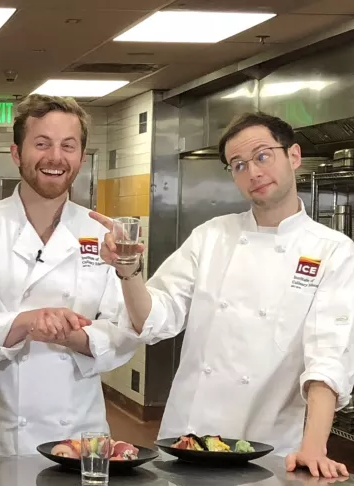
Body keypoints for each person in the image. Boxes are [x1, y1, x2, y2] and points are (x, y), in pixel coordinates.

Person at [94, 112, 353, 478]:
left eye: (263, 156)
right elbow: (154, 317)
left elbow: (328, 356)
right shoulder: (212, 236)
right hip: (189, 437)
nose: (253, 172)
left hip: (268, 445)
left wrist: (314, 446)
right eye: (239, 165)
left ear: (293, 156)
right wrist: (128, 271)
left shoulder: (334, 250)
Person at [0, 94, 139, 456]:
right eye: (42, 144)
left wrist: (72, 337)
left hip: (79, 433)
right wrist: (23, 323)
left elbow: (126, 330)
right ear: (17, 154)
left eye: (68, 146)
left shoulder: (102, 234)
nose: (55, 157)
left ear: (81, 156)